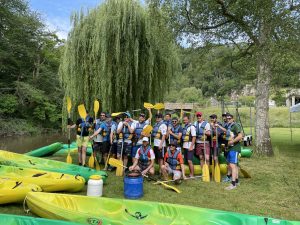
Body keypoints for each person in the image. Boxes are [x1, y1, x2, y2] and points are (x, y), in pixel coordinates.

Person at [224, 113, 243, 190]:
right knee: (233, 165)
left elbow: (240, 136)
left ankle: (233, 184)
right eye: (227, 118)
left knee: (232, 165)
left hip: (235, 148)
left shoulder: (235, 125)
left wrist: (232, 142)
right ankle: (237, 181)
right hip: (230, 148)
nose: (228, 119)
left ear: (233, 119)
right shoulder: (229, 126)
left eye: (229, 118)